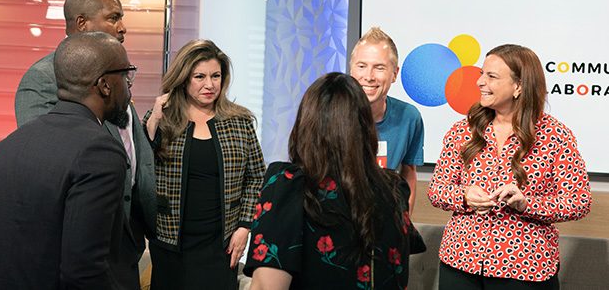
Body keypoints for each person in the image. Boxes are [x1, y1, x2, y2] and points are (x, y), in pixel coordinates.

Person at [0, 32, 137, 289]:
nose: (129, 84)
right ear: (105, 84)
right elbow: (83, 272)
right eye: (126, 74)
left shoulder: (8, 145)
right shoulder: (100, 152)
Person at [14, 0, 156, 286]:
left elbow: (132, 154)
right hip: (76, 243)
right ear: (82, 24)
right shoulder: (42, 79)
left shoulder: (116, 77)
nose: (123, 26)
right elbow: (45, 165)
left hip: (124, 244)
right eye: (113, 17)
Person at [428, 44, 592, 289]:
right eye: (482, 74)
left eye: (491, 76)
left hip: (525, 268)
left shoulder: (555, 135)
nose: (480, 82)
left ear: (519, 86)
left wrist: (527, 204)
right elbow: (436, 190)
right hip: (460, 261)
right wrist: (464, 195)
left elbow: (579, 201)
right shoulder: (463, 130)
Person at [244, 72, 418, 289]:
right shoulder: (394, 189)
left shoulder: (288, 185)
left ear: (307, 123)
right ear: (365, 127)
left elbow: (266, 286)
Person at [143, 39, 266, 290]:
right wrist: (154, 120)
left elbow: (256, 178)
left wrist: (244, 226)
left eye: (216, 76)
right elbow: (141, 168)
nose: (209, 85)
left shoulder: (240, 121)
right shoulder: (161, 119)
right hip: (169, 243)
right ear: (184, 78)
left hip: (220, 245)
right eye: (199, 76)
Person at [349, 27, 424, 214]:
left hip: (384, 225)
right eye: (361, 66)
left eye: (379, 67)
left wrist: (405, 226)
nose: (368, 76)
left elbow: (409, 173)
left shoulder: (409, 117)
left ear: (395, 74)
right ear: (351, 69)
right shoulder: (329, 112)